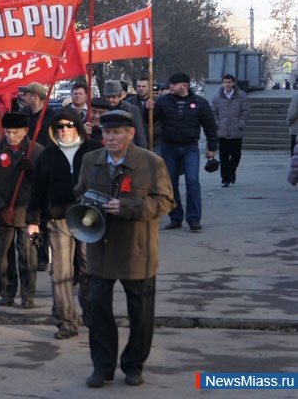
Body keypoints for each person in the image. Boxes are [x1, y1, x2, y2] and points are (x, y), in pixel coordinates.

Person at [74, 110, 175, 388]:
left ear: (130, 134)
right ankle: (102, 367)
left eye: (116, 132)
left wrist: (129, 207)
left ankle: (133, 365)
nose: (110, 138)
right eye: (106, 132)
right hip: (100, 249)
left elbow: (166, 202)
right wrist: (86, 204)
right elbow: (79, 191)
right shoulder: (90, 160)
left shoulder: (151, 162)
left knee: (140, 314)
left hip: (137, 251)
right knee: (98, 310)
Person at [28, 108, 102, 340]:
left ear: (78, 127)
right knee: (61, 272)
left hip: (88, 218)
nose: (64, 130)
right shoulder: (48, 156)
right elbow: (37, 191)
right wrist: (33, 221)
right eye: (60, 126)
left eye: (69, 125)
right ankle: (65, 321)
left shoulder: (93, 151)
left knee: (89, 267)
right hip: (59, 220)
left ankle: (92, 315)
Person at [0, 111, 44, 308]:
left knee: (27, 255)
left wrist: (34, 171)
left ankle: (28, 295)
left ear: (25, 131)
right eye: (8, 132)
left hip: (26, 212)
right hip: (3, 213)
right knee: (4, 257)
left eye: (16, 132)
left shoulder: (37, 152)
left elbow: (45, 184)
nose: (11, 136)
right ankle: (7, 293)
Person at [150, 72, 217, 232]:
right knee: (171, 183)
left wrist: (212, 147)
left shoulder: (199, 103)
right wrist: (149, 110)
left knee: (192, 182)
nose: (170, 86)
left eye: (174, 84)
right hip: (169, 147)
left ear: (184, 86)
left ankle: (194, 219)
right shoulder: (163, 102)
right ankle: (175, 217)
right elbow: (151, 121)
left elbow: (210, 126)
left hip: (190, 148)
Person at [210, 74, 250, 187]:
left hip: (236, 131)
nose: (227, 84)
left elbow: (246, 111)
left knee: (236, 155)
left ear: (233, 83)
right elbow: (212, 112)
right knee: (223, 157)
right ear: (222, 83)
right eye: (225, 82)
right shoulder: (217, 97)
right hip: (222, 131)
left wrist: (240, 123)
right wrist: (217, 123)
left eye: (229, 82)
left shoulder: (241, 95)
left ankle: (232, 171)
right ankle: (225, 179)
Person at [103, 80, 147, 148]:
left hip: (128, 149)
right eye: (108, 97)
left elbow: (140, 135)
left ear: (120, 96)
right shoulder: (101, 111)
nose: (111, 100)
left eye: (114, 97)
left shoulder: (132, 110)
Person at [17, 82, 53, 147]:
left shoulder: (51, 117)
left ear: (35, 97)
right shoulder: (22, 114)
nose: (23, 98)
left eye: (25, 94)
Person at [286, 91, 298, 155]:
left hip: (296, 129)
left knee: (295, 155)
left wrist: (289, 121)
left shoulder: (296, 96)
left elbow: (293, 113)